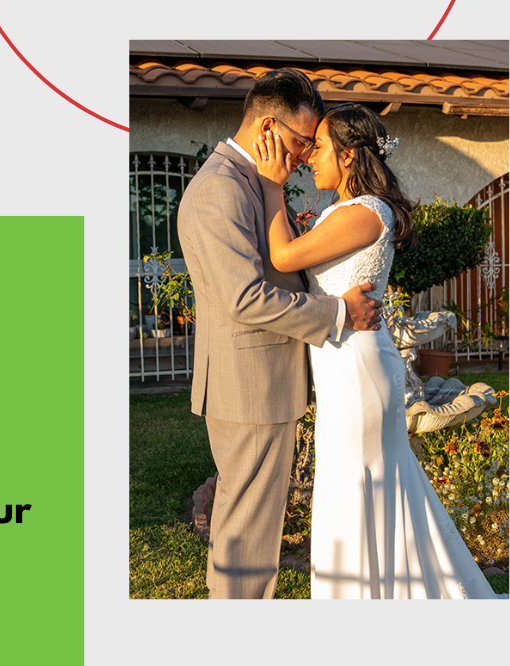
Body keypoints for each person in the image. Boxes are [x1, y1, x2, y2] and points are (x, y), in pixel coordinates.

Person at [254, 102, 496, 598]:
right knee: (359, 487)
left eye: (318, 147)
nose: (308, 158)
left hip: (358, 371)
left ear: (347, 157)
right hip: (344, 365)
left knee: (357, 488)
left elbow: (282, 256)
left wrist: (270, 183)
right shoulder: (343, 211)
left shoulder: (366, 212)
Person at [176, 69, 382, 599]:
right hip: (250, 389)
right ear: (268, 127)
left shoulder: (250, 183)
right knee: (245, 541)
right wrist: (337, 313)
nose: (302, 155)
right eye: (299, 142)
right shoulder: (220, 189)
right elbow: (245, 298)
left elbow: (282, 263)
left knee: (255, 536)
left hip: (266, 384)